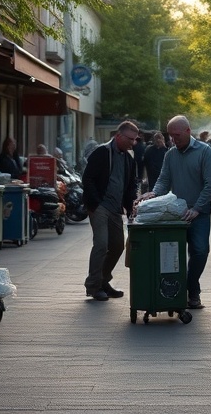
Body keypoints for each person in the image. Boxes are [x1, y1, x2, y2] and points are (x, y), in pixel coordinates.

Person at [140, 115, 211, 309]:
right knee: (173, 256)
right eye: (171, 136)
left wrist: (197, 208)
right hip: (176, 213)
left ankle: (192, 288)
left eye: (177, 135)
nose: (173, 139)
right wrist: (153, 193)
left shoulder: (205, 152)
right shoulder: (170, 154)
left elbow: (210, 185)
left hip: (200, 213)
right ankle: (177, 291)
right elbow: (164, 179)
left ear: (188, 131)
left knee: (200, 251)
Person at [81, 121, 139, 301]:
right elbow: (88, 178)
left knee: (117, 246)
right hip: (99, 207)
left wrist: (130, 208)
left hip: (115, 209)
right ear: (119, 136)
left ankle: (103, 280)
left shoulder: (128, 158)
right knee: (101, 244)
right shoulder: (101, 152)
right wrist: (96, 203)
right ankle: (93, 286)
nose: (133, 143)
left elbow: (130, 186)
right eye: (130, 139)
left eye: (135, 139)